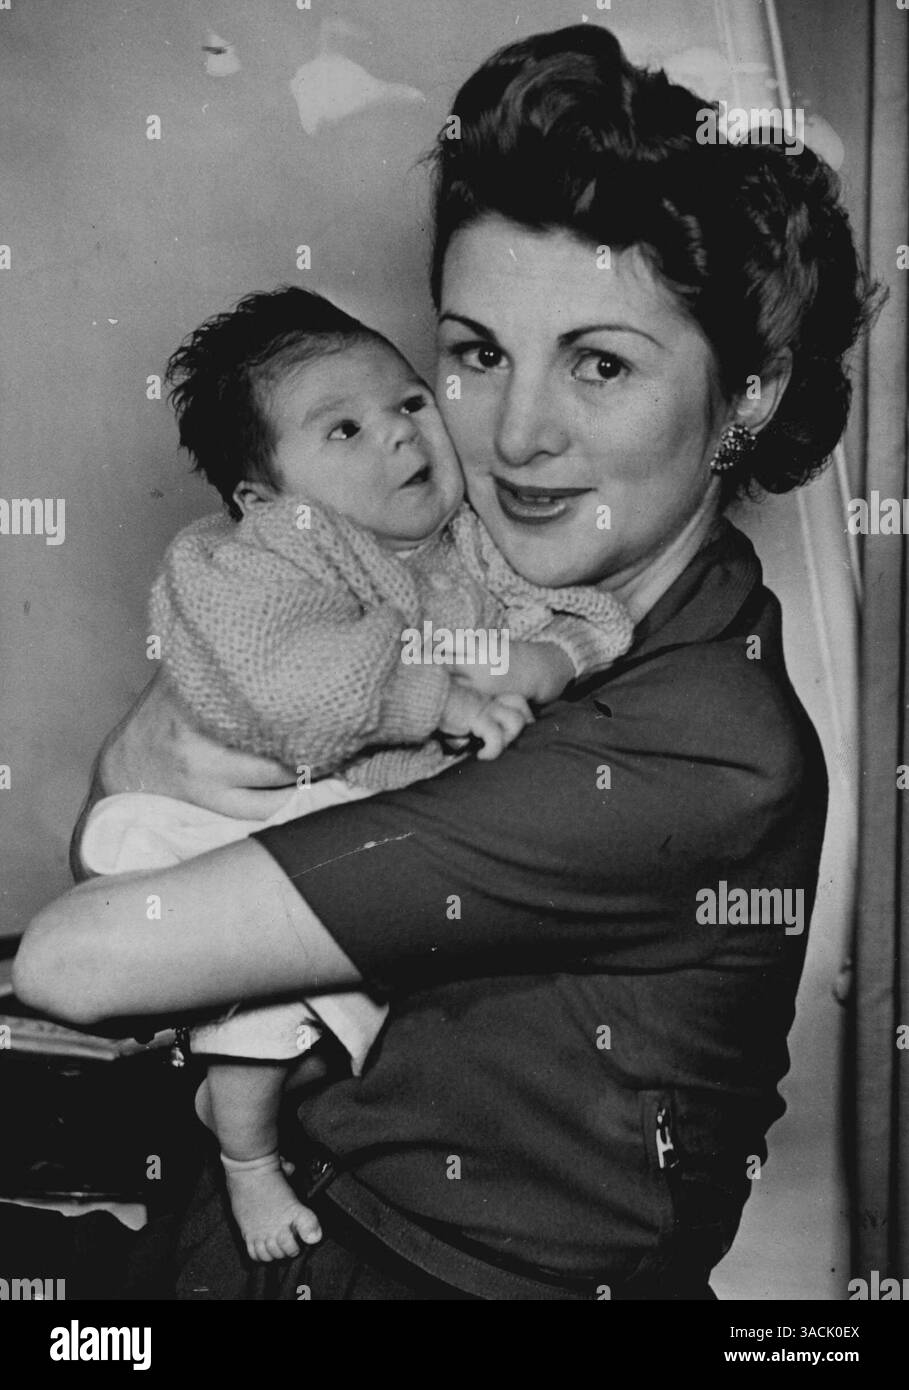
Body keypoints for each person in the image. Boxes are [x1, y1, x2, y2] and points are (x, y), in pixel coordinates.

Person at [14, 23, 875, 1299]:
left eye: (601, 363)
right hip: (255, 1227)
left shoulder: (693, 743)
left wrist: (139, 760)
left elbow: (74, 961)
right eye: (477, 353)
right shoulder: (462, 582)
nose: (519, 435)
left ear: (745, 395)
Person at [76, 283, 634, 1263]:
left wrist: (550, 659)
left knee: (350, 1007)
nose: (399, 438)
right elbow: (298, 684)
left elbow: (580, 607)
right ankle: (247, 1162)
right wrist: (448, 700)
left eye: (411, 403)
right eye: (344, 429)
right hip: (195, 823)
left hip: (336, 827)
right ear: (264, 499)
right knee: (270, 990)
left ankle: (228, 1094)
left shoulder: (472, 543)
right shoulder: (249, 566)